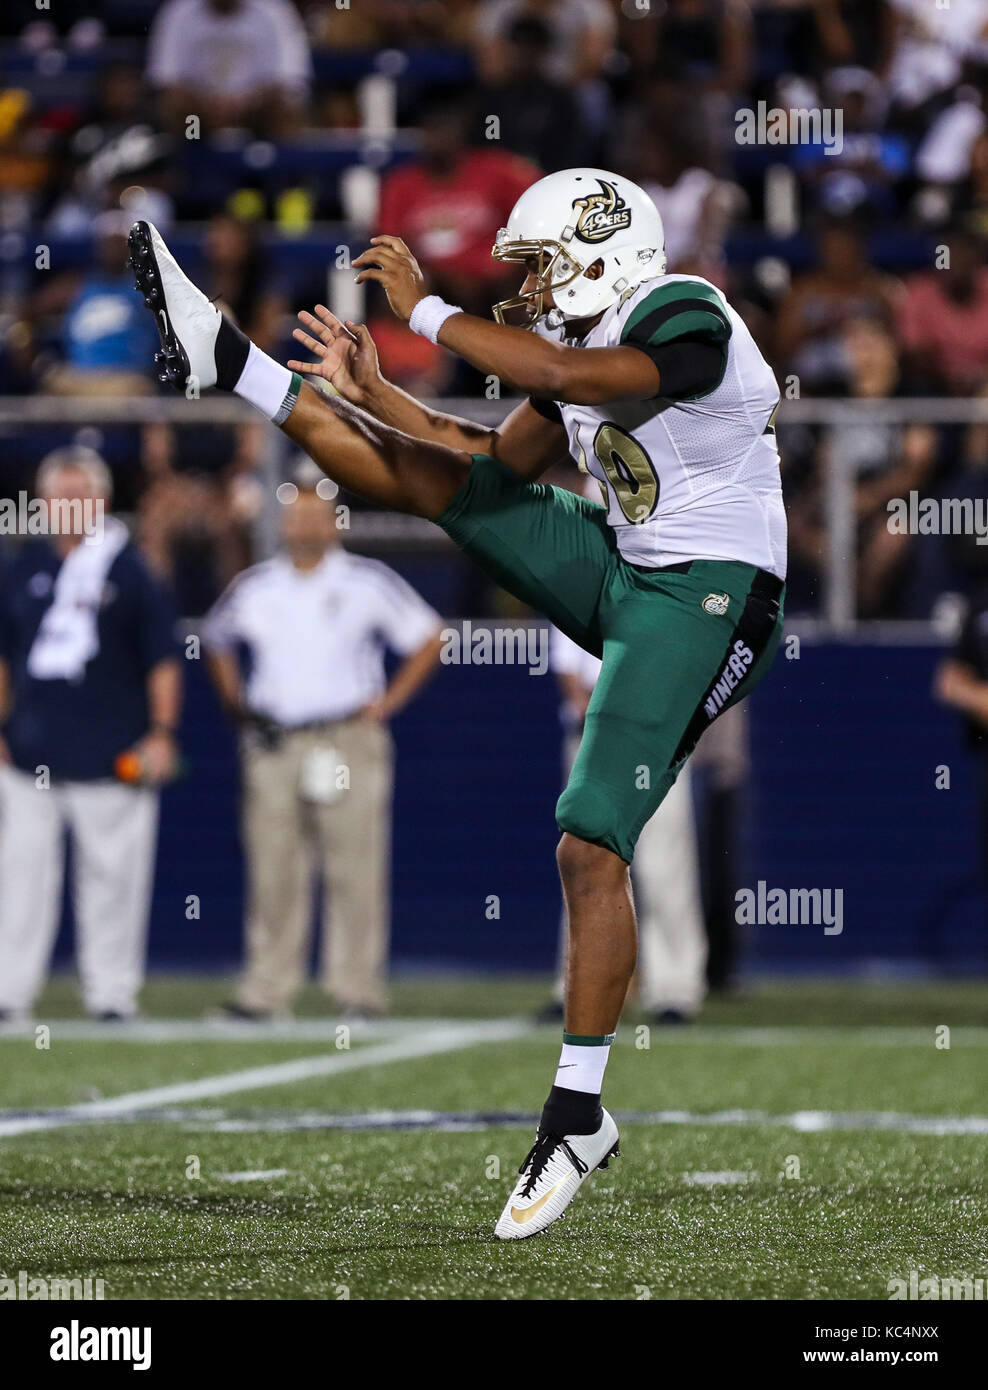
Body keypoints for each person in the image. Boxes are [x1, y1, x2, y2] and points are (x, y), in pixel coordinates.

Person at [128, 161, 787, 1240]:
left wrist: (429, 311)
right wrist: (374, 392)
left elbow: (591, 383)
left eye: (533, 266)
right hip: (629, 568)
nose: (522, 287)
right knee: (433, 487)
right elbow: (482, 459)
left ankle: (576, 1111)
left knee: (587, 842)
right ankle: (233, 364)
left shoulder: (684, 311)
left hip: (713, 596)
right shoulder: (567, 357)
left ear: (595, 248)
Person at [202, 467, 443, 1019]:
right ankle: (266, 991)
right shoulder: (257, 585)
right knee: (273, 869)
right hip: (275, 741)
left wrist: (389, 703)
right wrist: (236, 705)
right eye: (297, 509)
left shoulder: (365, 581)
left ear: (337, 520)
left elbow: (431, 636)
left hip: (344, 737)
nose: (306, 519)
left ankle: (356, 990)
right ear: (283, 519)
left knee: (354, 866)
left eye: (317, 509)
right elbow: (214, 639)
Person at [0, 447, 182, 1023]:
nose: (69, 507)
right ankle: (10, 993)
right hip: (30, 754)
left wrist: (161, 732)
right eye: (59, 497)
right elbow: (4, 655)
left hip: (113, 753)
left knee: (113, 883)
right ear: (44, 504)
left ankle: (110, 995)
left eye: (80, 496)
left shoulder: (129, 569)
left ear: (101, 502)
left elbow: (162, 659)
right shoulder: (25, 565)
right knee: (20, 883)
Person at [545, 624, 708, 1023]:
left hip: (654, 735)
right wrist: (592, 707)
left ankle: (674, 989)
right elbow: (566, 660)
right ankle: (578, 988)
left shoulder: (668, 575)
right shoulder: (582, 572)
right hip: (593, 735)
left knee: (663, 866)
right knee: (584, 861)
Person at [146, 0, 312, 138]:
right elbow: (167, 82)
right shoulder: (178, 11)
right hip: (198, 118)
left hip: (255, 114)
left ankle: (276, 171)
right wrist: (207, 104)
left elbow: (289, 82)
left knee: (283, 109)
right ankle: (184, 166)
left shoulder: (275, 10)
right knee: (174, 108)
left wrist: (241, 103)